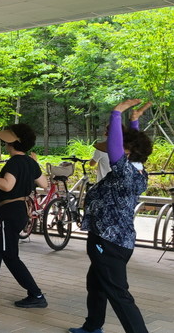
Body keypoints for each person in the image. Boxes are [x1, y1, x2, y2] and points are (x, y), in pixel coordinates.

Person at [69, 100, 153, 333]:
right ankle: (92, 326)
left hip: (108, 242)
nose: (111, 146)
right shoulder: (136, 167)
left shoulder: (124, 171)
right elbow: (132, 144)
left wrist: (116, 113)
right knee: (96, 284)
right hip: (114, 239)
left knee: (118, 293)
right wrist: (134, 120)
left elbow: (119, 148)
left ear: (126, 151)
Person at [0, 123, 49, 308]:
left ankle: (36, 295)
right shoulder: (29, 162)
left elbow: (7, 186)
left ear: (13, 142)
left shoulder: (14, 162)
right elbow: (44, 184)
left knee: (10, 255)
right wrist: (34, 165)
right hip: (19, 212)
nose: (5, 143)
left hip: (11, 213)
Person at [90, 102, 150, 184]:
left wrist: (116, 114)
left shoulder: (121, 161)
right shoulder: (135, 163)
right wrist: (134, 121)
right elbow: (132, 142)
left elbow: (116, 145)